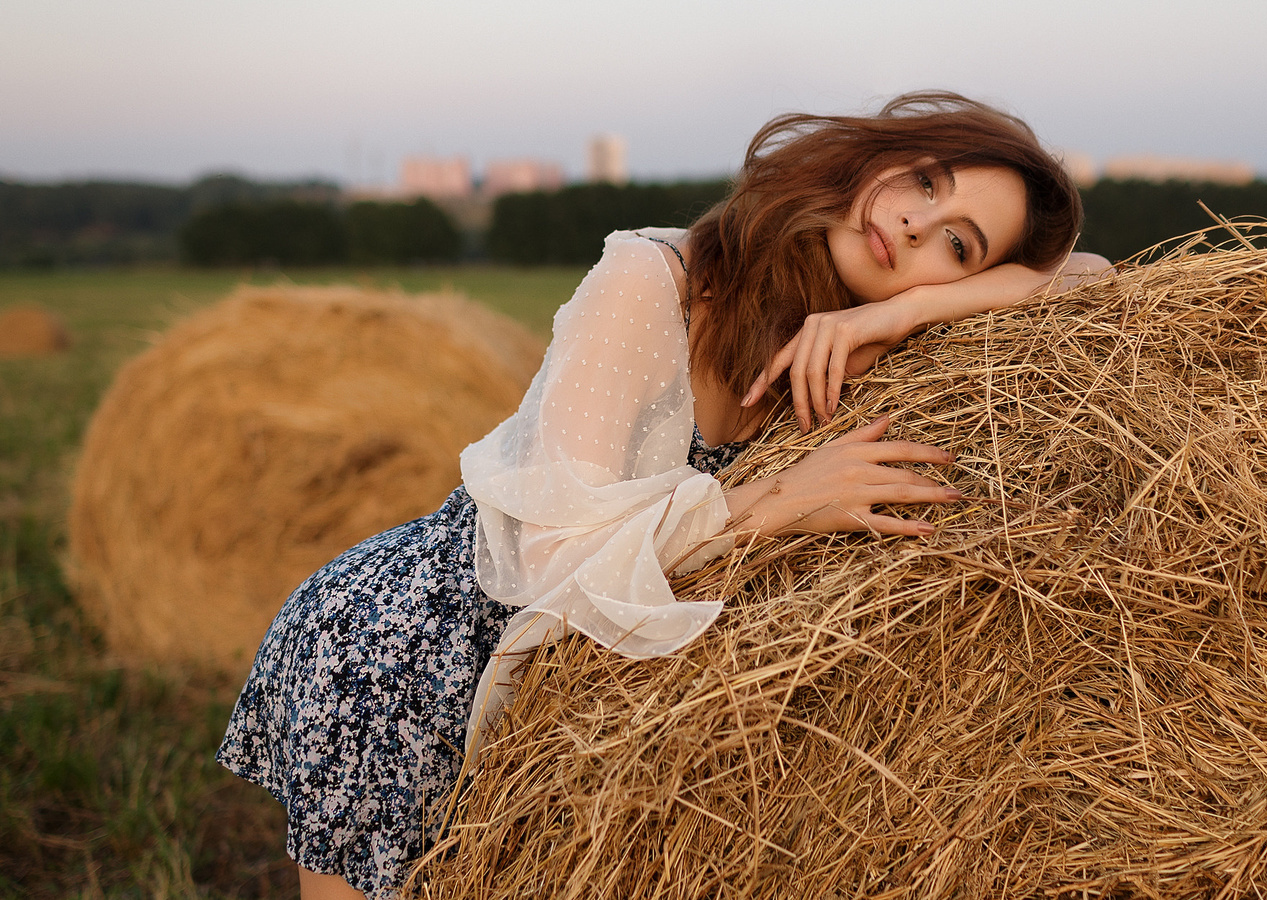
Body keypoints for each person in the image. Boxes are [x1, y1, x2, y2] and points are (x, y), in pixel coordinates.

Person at [217, 91, 1109, 899]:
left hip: (577, 685)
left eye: (959, 243)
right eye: (924, 181)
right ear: (872, 160)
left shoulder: (854, 337)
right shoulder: (655, 280)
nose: (918, 225)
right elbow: (549, 560)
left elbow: (1095, 279)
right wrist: (777, 501)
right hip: (410, 645)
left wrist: (896, 314)